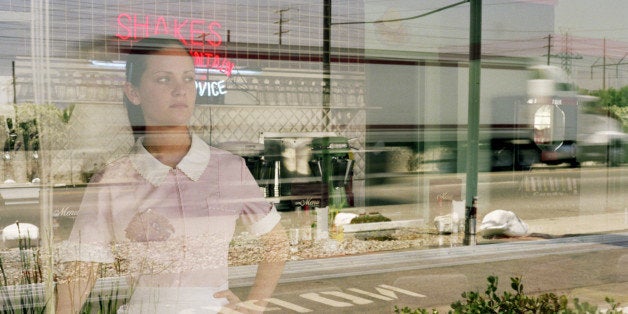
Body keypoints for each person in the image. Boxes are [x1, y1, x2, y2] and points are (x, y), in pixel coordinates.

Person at [56, 35, 288, 313]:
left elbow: (276, 243)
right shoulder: (112, 180)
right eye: (164, 79)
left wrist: (254, 305)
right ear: (134, 92)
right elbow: (81, 269)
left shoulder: (228, 168)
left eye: (188, 78)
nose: (180, 90)